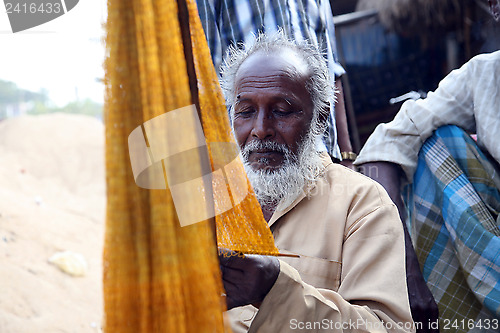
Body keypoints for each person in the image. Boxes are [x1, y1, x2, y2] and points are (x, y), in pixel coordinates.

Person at [218, 32, 416, 333]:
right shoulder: (204, 199)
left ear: (320, 120)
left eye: (281, 111)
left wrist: (276, 288)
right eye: (245, 112)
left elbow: (387, 329)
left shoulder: (362, 204)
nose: (260, 130)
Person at [355, 1, 500, 329]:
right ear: (494, 7)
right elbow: (386, 143)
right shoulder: (483, 75)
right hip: (490, 258)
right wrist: (406, 268)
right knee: (436, 146)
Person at [195, 0, 357, 168]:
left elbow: (331, 69)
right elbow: (203, 82)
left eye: (282, 110)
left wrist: (345, 156)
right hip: (250, 164)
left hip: (320, 155)